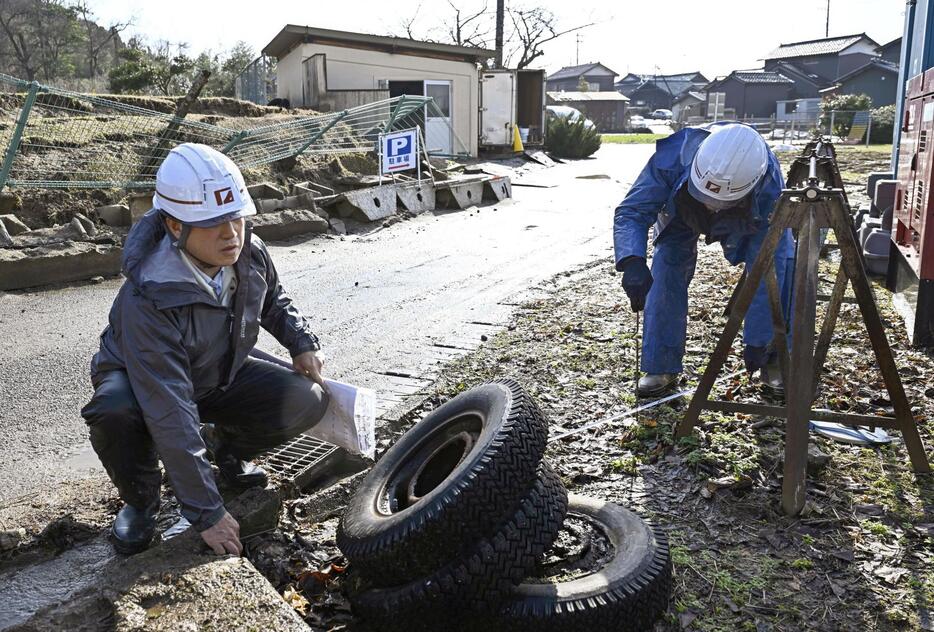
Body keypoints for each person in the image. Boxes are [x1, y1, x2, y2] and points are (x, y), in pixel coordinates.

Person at [81, 143, 329, 556]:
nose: (231, 234)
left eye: (237, 218)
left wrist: (301, 342)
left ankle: (225, 449)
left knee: (308, 399)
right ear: (176, 227)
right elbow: (168, 406)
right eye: (214, 224)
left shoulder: (249, 251)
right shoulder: (149, 297)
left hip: (216, 369)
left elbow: (272, 300)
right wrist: (207, 513)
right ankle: (141, 501)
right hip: (142, 383)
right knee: (114, 412)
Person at [613, 123, 795, 397]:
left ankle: (773, 358)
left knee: (780, 264)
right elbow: (632, 210)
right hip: (682, 204)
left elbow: (768, 263)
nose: (711, 205)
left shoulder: (767, 184)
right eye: (707, 197)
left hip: (745, 214)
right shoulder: (672, 158)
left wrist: (761, 337)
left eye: (718, 202)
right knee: (666, 267)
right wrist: (632, 260)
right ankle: (660, 366)